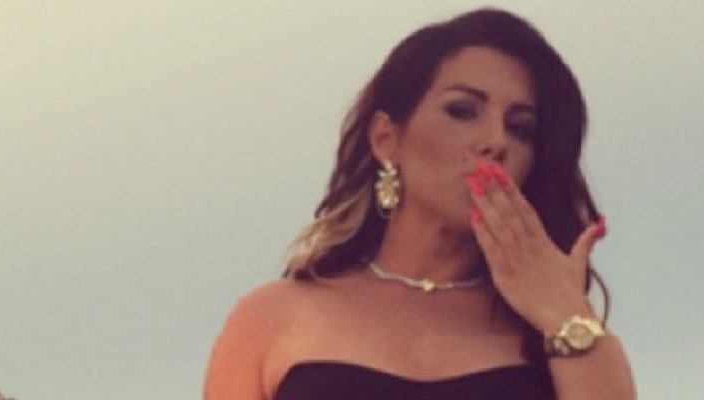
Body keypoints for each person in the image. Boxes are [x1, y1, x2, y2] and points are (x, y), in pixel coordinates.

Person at [205, 7, 637, 400]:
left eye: (520, 128)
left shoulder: (566, 333)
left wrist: (563, 314)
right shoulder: (273, 317)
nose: (496, 141)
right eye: (463, 111)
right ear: (386, 139)